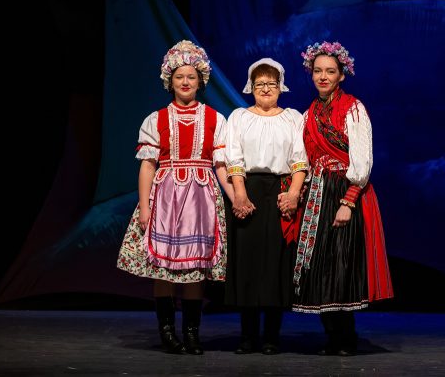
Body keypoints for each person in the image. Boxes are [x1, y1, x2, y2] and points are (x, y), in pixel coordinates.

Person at [116, 40, 235, 355]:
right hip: (166, 199)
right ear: (170, 81)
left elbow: (221, 165)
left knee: (195, 268)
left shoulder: (215, 119)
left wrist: (236, 197)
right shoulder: (156, 119)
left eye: (191, 77)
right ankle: (167, 331)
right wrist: (145, 207)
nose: (185, 82)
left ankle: (192, 332)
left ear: (200, 81)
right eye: (179, 76)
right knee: (164, 268)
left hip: (201, 199)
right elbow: (147, 166)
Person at [292, 40, 393, 356]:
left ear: (341, 75)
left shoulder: (353, 108)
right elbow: (303, 159)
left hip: (344, 191)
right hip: (318, 194)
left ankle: (346, 337)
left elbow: (362, 159)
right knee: (318, 263)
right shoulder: (308, 114)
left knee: (341, 264)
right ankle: (331, 336)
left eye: (330, 71)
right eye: (318, 71)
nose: (323, 77)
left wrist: (348, 201)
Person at [224, 58, 308, 355]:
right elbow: (233, 156)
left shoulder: (293, 118)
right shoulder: (239, 117)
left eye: (271, 83)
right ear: (251, 87)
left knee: (276, 262)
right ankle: (247, 335)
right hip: (247, 189)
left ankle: (272, 336)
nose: (266, 89)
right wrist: (239, 194)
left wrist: (293, 193)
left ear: (281, 86)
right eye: (260, 84)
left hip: (281, 190)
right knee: (247, 261)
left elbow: (300, 158)